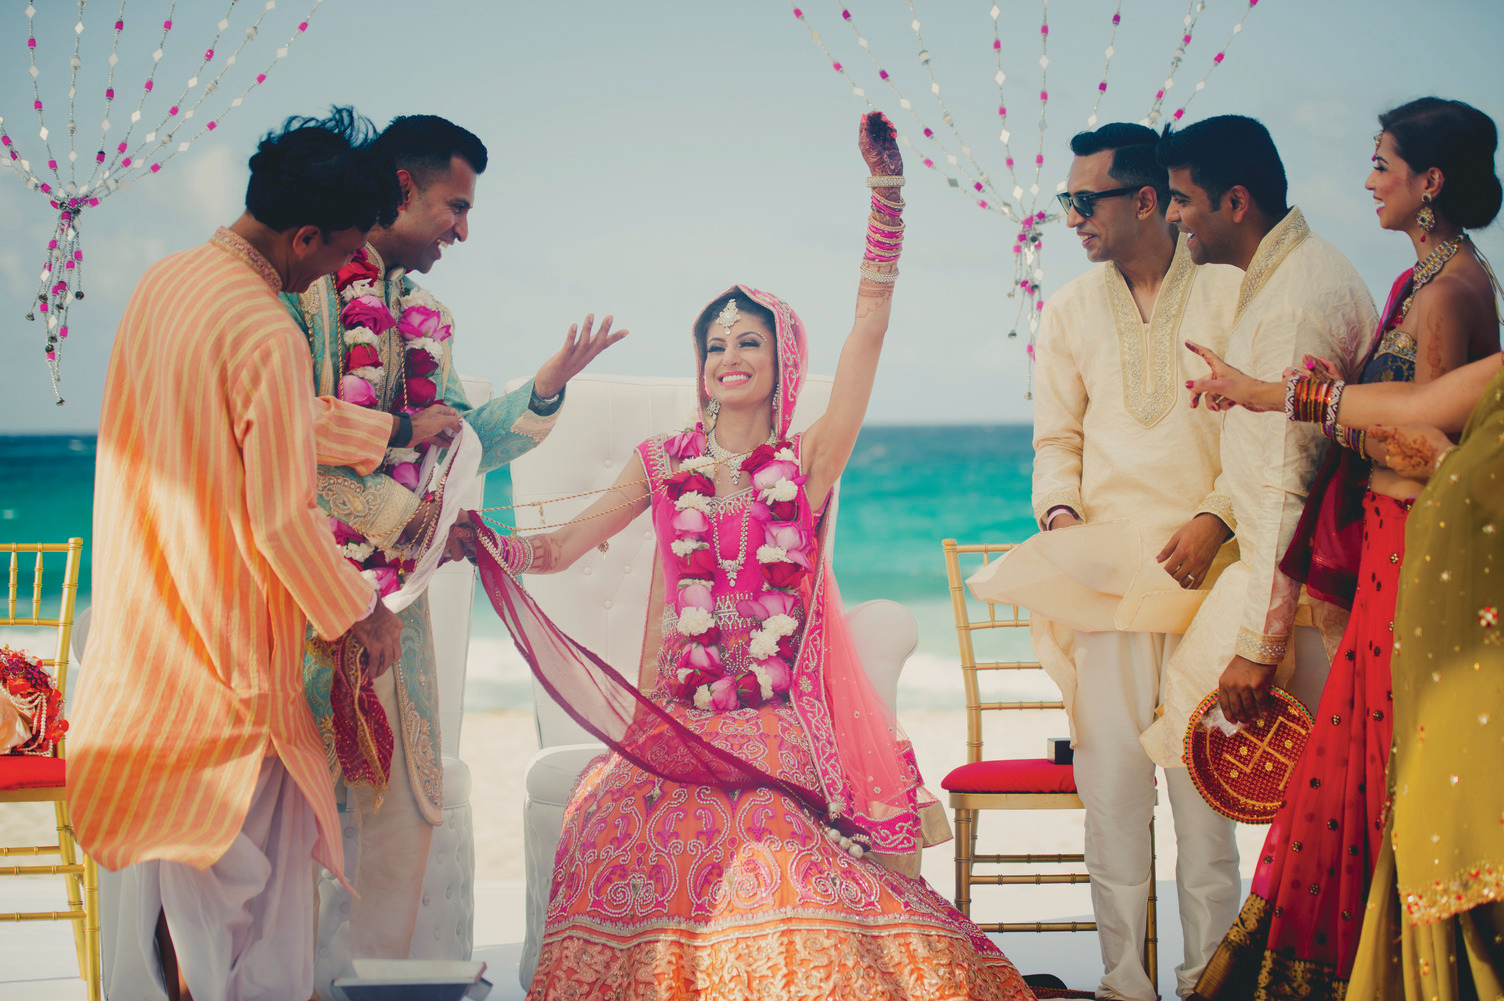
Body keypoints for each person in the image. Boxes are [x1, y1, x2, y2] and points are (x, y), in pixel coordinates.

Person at [475, 112, 1035, 999]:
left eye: (748, 341)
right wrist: (489, 545)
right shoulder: (663, 464)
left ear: (782, 359)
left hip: (774, 717)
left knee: (765, 848)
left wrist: (886, 203)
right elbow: (564, 545)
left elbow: (869, 335)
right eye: (714, 345)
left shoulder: (807, 465)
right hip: (674, 714)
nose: (727, 356)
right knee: (601, 822)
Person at [66, 108, 407, 1001]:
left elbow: (226, 420)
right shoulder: (267, 330)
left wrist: (382, 429)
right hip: (227, 667)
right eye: (340, 252)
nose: (339, 270)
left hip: (145, 646)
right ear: (303, 236)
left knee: (195, 905)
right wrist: (362, 611)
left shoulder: (165, 284)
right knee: (251, 920)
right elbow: (280, 525)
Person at [282, 114, 627, 985]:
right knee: (294, 817)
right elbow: (289, 454)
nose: (464, 231)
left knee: (404, 815)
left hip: (398, 612)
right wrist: (410, 520)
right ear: (401, 186)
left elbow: (464, 442)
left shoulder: (428, 315)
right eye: (454, 206)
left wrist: (544, 389)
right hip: (300, 599)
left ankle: (378, 988)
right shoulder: (304, 301)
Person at [1193, 98, 1502, 999]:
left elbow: (1430, 446)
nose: (1368, 180)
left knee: (1378, 765)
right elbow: (1399, 406)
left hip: (1419, 554)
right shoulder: (1420, 280)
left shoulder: (1451, 292)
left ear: (1429, 182)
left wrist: (1311, 408)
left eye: (1381, 163)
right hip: (1389, 552)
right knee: (1352, 763)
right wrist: (1321, 396)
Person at [1030, 121, 1243, 999]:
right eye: (1067, 202)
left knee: (1206, 801)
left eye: (1087, 200)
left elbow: (1259, 433)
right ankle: (1123, 985)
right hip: (1108, 585)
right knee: (1113, 794)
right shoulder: (1071, 309)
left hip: (1210, 586)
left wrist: (1214, 518)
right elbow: (1057, 437)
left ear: (1146, 199)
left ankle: (1210, 983)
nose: (1073, 217)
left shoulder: (1231, 291)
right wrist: (1061, 510)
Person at [1137, 116, 1377, 779]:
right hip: (1299, 583)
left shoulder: (1289, 303)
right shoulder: (1287, 272)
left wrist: (1257, 647)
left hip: (1301, 600)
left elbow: (1284, 488)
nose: (1174, 216)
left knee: (1209, 763)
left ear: (1236, 202)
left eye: (1183, 199)